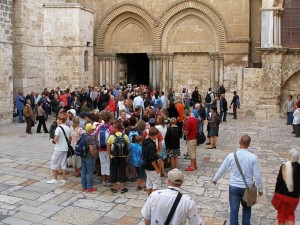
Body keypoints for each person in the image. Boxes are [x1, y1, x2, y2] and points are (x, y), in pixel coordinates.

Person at [212, 135, 263, 225]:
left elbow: (222, 169)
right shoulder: (253, 157)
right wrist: (260, 189)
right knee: (247, 209)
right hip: (247, 188)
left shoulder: (231, 156)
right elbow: (257, 175)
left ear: (239, 142)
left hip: (234, 187)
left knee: (234, 210)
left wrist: (215, 179)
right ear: (249, 144)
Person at [274, 148, 300, 225]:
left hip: (282, 195)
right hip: (294, 196)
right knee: (290, 215)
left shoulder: (284, 167)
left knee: (281, 215)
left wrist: (276, 193)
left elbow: (279, 181)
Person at [47, 114, 72, 185]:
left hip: (58, 148)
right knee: (63, 163)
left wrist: (53, 141)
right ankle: (64, 179)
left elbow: (56, 138)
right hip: (65, 148)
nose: (56, 120)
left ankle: (55, 179)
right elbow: (70, 139)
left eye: (57, 119)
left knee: (54, 162)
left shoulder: (58, 128)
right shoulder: (68, 128)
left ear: (61, 120)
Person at [107, 123, 130, 194]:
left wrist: (110, 155)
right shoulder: (125, 136)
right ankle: (122, 188)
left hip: (114, 157)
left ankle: (114, 188)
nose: (112, 129)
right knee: (122, 171)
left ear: (117, 129)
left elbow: (108, 147)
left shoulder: (111, 137)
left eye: (114, 128)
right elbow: (128, 146)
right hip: (122, 157)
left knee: (113, 171)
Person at [142, 127, 161, 196]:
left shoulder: (144, 142)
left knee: (149, 182)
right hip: (152, 166)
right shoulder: (151, 144)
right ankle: (154, 198)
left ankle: (149, 198)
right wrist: (157, 168)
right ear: (154, 135)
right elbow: (152, 158)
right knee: (156, 183)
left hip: (146, 165)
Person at [80, 123, 97, 192]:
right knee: (90, 172)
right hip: (89, 157)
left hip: (83, 156)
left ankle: (84, 186)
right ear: (89, 130)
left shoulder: (83, 136)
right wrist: (94, 156)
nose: (93, 129)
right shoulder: (90, 138)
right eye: (92, 129)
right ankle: (89, 187)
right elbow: (91, 149)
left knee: (83, 171)